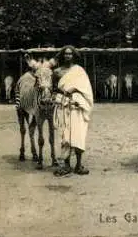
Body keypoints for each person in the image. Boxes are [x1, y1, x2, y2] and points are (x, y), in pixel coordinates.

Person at [52, 45, 94, 176]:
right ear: (62, 55)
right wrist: (62, 94)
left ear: (74, 55)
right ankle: (66, 165)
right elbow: (53, 89)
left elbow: (86, 89)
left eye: (70, 54)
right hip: (63, 107)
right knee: (65, 136)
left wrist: (74, 90)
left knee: (78, 135)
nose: (68, 56)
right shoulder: (57, 72)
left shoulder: (79, 71)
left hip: (77, 107)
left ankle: (79, 165)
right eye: (66, 54)